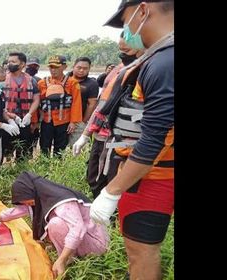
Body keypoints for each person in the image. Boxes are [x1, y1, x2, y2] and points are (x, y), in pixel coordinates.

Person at [89, 1, 174, 279]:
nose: (126, 31)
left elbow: (154, 139)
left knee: (141, 252)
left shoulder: (163, 62)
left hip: (155, 178)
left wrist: (111, 191)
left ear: (143, 10)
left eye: (126, 21)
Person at [0, 171, 109, 279]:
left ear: (33, 193)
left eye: (28, 202)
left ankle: (68, 260)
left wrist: (61, 260)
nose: (28, 205)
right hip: (85, 239)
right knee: (53, 225)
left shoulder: (63, 202)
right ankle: (67, 255)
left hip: (96, 243)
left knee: (55, 225)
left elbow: (78, 229)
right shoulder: (42, 196)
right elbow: (18, 211)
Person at [73, 35, 144, 199]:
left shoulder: (149, 70)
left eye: (126, 49)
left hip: (123, 139)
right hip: (102, 135)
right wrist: (85, 135)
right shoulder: (118, 72)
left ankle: (111, 216)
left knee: (110, 177)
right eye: (121, 50)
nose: (123, 53)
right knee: (94, 175)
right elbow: (101, 106)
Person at [38, 55, 82, 156]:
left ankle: (57, 168)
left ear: (64, 67)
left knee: (60, 148)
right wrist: (36, 121)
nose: (53, 70)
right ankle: (44, 168)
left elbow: (76, 103)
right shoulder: (41, 83)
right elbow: (38, 103)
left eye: (56, 67)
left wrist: (73, 122)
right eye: (51, 67)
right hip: (46, 121)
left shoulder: (72, 83)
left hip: (64, 121)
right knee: (44, 146)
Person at [2, 52, 40, 160]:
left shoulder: (31, 80)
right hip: (7, 119)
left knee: (23, 149)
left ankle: (21, 171)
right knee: (5, 150)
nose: (10, 64)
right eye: (9, 61)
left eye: (13, 62)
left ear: (22, 64)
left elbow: (36, 99)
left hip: (24, 120)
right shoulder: (3, 79)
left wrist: (29, 114)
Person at [68, 57, 99, 146]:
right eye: (79, 67)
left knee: (76, 146)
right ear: (73, 66)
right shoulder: (65, 79)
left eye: (85, 68)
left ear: (89, 69)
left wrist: (84, 121)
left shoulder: (92, 84)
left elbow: (92, 104)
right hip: (63, 119)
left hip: (79, 121)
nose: (81, 70)